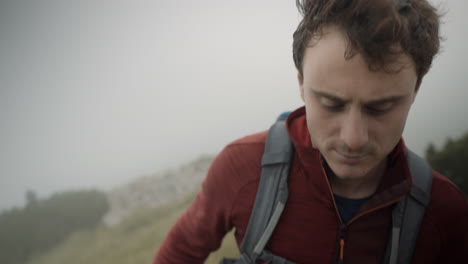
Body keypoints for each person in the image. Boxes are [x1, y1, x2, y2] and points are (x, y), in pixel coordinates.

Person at [154, 0, 468, 263]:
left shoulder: (445, 212)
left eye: (380, 108)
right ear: (301, 83)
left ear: (415, 90)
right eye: (331, 104)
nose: (352, 138)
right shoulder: (240, 169)